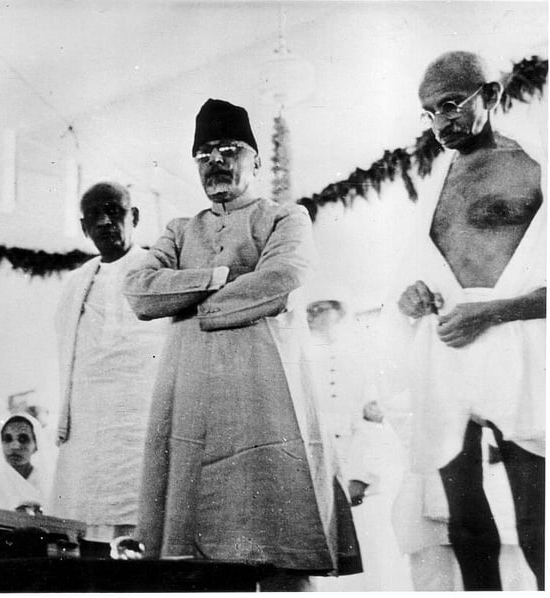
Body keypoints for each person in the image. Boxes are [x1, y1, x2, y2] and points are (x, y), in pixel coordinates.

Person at [123, 99, 360, 590]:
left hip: (264, 400)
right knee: (202, 562)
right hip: (192, 402)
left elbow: (283, 275)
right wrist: (219, 276)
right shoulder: (179, 230)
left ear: (254, 159)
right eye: (205, 153)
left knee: (279, 552)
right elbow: (141, 291)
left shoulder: (284, 218)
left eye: (230, 149)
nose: (217, 162)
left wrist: (195, 305)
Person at [384, 51, 545, 591]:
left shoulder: (535, 163)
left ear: (491, 96)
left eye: (451, 105)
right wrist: (412, 296)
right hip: (449, 349)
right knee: (464, 520)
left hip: (521, 348)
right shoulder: (436, 178)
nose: (441, 122)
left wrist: (496, 310)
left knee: (537, 524)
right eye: (429, 113)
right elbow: (424, 270)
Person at [51, 181, 168, 543]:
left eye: (114, 212)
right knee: (83, 526)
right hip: (87, 427)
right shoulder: (75, 283)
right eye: (94, 217)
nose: (105, 222)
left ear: (134, 217)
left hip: (138, 423)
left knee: (140, 524)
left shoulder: (159, 272)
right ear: (84, 227)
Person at [305, 297, 410, 591]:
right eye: (309, 310)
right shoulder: (302, 354)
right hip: (317, 463)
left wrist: (361, 476)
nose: (313, 315)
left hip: (355, 465)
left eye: (321, 308)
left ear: (339, 311)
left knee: (370, 552)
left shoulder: (358, 357)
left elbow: (371, 420)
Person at [0, 413, 51, 511]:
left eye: (23, 439)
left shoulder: (48, 483)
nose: (15, 446)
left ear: (36, 445)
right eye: (8, 439)